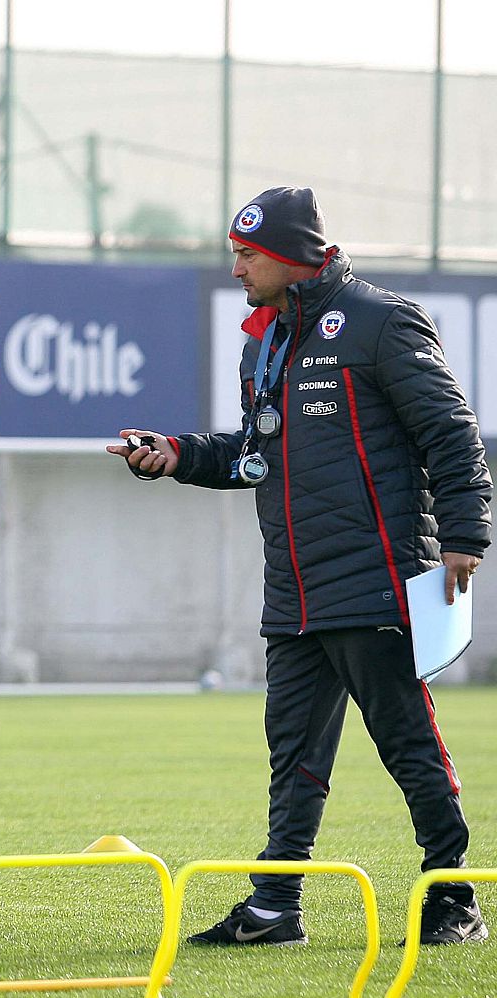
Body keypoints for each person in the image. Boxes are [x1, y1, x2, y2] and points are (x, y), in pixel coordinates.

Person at [112, 186, 491, 946]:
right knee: (293, 755)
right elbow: (255, 454)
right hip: (295, 591)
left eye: (248, 255)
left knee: (408, 743)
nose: (237, 269)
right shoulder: (267, 344)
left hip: (376, 580)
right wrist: (177, 454)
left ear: (290, 256)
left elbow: (453, 434)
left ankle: (453, 896)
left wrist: (464, 537)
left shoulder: (384, 322)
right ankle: (276, 904)